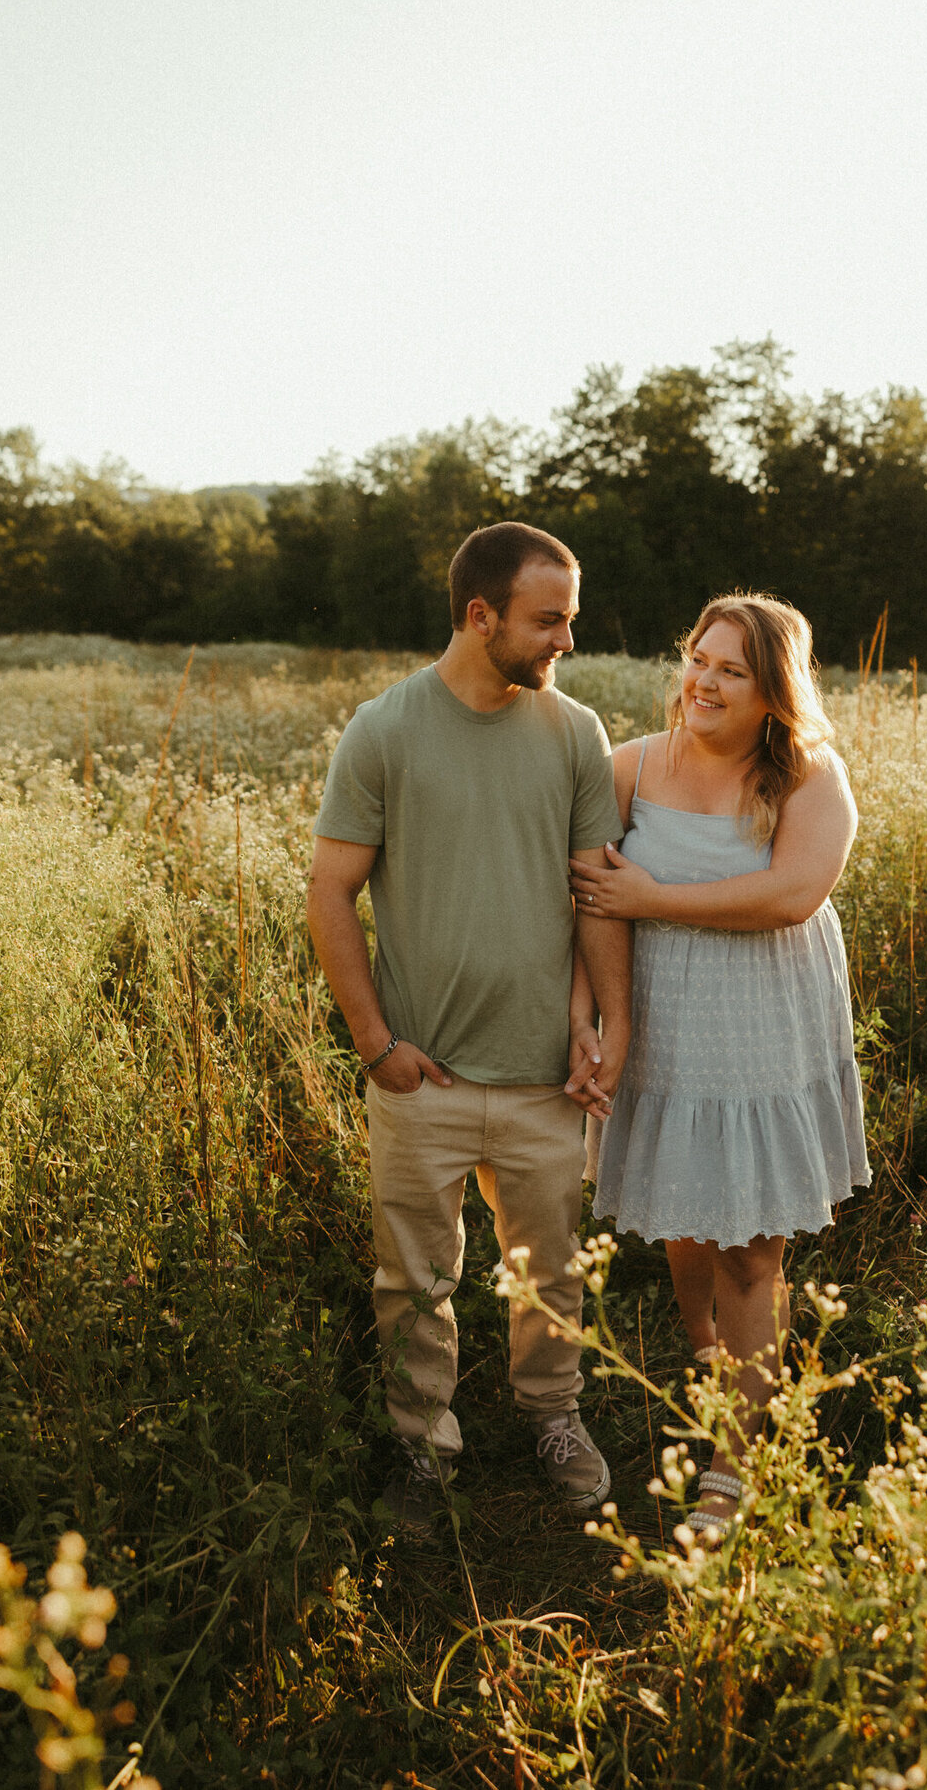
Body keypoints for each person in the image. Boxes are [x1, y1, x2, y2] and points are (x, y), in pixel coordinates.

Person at [307, 521, 631, 1531]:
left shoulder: (576, 732)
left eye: (568, 619)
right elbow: (329, 894)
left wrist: (609, 1024)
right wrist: (376, 1045)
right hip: (424, 1077)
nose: (563, 641)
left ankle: (553, 1416)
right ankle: (421, 1439)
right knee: (412, 1277)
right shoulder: (386, 729)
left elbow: (596, 895)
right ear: (480, 614)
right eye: (548, 620)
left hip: (544, 1075)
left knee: (552, 1269)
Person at [570, 592, 869, 1540]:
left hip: (763, 1023)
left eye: (731, 668)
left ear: (773, 688)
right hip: (661, 1019)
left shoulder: (808, 775)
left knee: (749, 1240)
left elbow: (791, 894)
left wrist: (657, 893)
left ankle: (733, 1466)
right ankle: (702, 1340)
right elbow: (581, 898)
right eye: (699, 658)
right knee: (682, 1206)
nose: (702, 680)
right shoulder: (630, 765)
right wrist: (587, 1014)